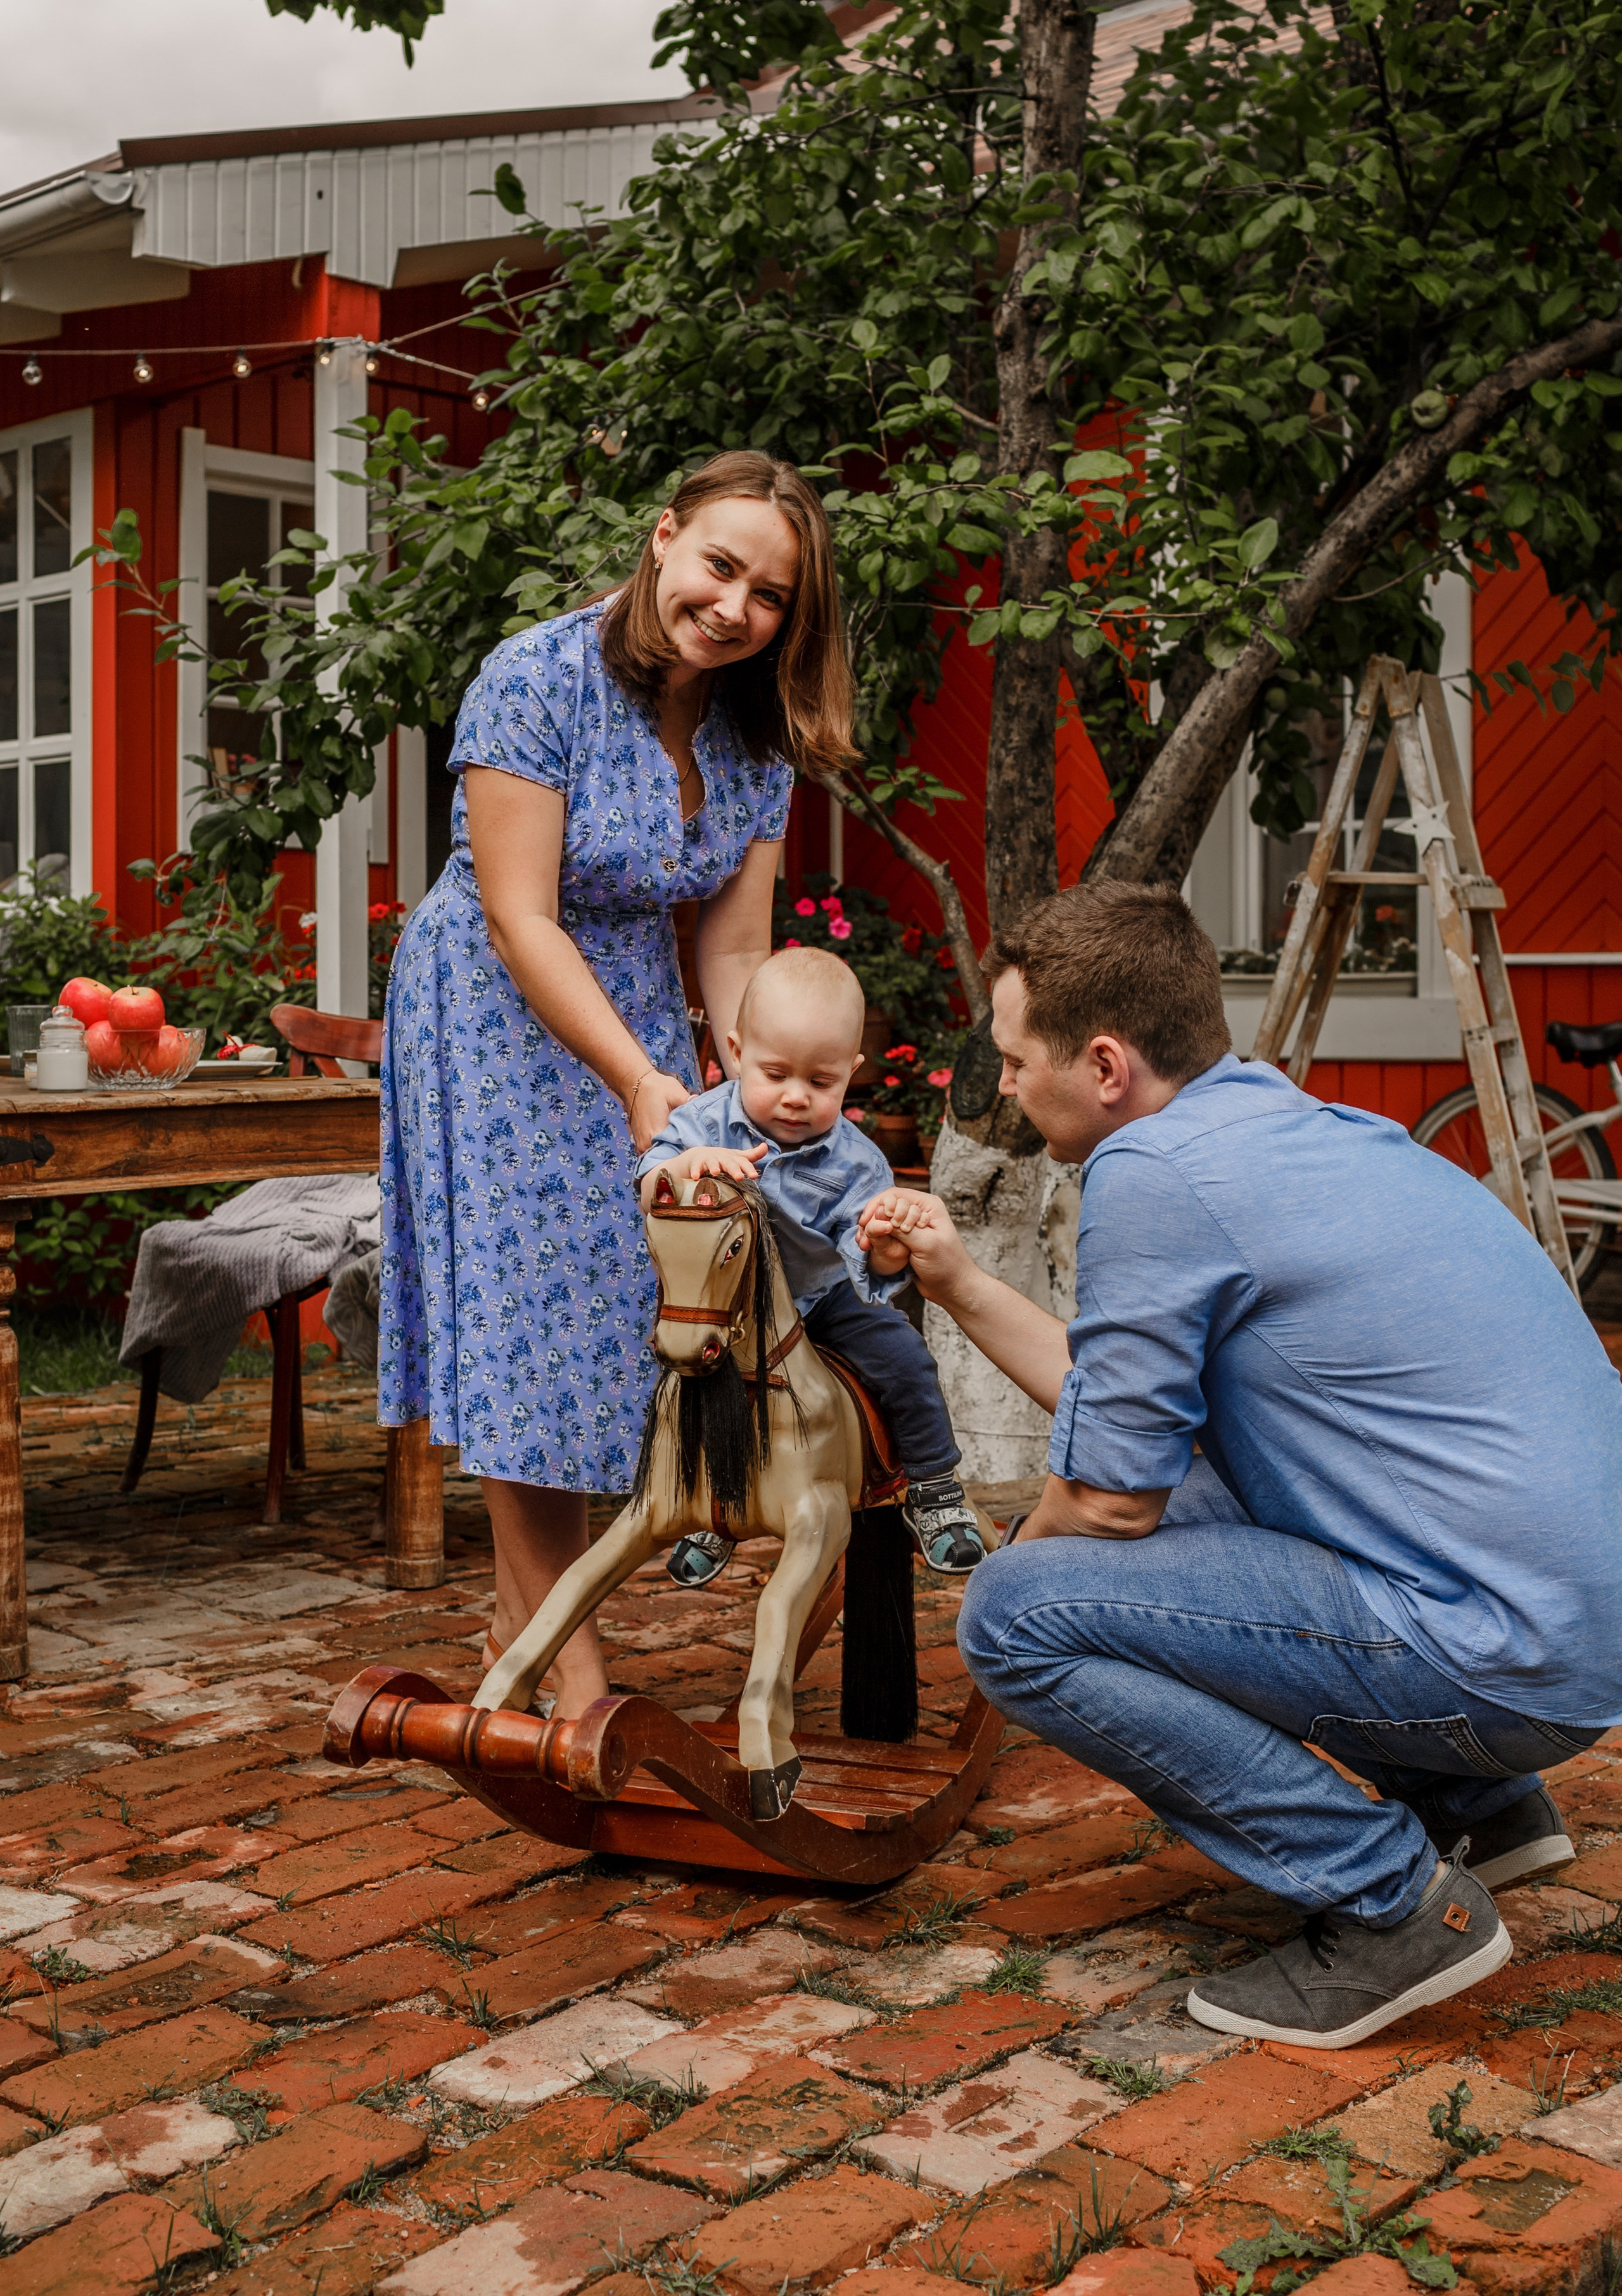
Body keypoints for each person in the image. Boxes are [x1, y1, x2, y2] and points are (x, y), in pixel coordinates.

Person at [859, 879, 1622, 2050]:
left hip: (1503, 1661)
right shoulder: (1285, 1125)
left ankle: (1394, 1906)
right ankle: (1480, 1808)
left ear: (1105, 1066)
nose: (1004, 1082)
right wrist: (959, 1282)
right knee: (1191, 1496)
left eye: (1016, 1058)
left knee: (1019, 1612)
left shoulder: (1150, 1173)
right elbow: (1129, 1417)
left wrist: (1026, 1582)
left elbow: (1110, 1500)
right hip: (1567, 1631)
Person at [379, 451, 853, 1714]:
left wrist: (757, 1074)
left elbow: (735, 945)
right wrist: (640, 1077)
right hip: (489, 1004)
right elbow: (521, 920)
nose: (735, 605)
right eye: (719, 565)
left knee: (623, 1314)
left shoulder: (755, 735)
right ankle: (566, 1668)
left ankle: (516, 1620)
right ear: (662, 540)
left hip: (636, 1005)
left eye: (769, 593)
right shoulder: (536, 678)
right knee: (530, 1314)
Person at [639, 947, 984, 1574]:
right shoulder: (701, 1124)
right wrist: (680, 1167)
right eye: (776, 1074)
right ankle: (718, 1505)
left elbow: (875, 1263)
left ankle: (934, 1487)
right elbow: (650, 1180)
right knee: (697, 1387)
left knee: (902, 1355)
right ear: (736, 1053)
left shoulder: (855, 1162)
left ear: (851, 1073)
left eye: (820, 1082)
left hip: (824, 1294)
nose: (796, 1097)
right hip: (732, 1305)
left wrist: (881, 1249)